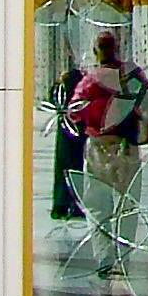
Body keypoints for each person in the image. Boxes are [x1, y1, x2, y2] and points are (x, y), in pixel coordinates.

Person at [69, 31, 148, 210]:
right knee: (127, 206)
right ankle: (124, 238)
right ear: (117, 49)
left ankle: (103, 239)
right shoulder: (130, 76)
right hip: (125, 147)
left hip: (100, 147)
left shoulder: (91, 80)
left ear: (95, 51)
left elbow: (74, 112)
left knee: (98, 207)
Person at [47, 65, 86, 221]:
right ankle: (73, 205)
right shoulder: (81, 86)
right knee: (75, 169)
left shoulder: (61, 88)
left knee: (61, 169)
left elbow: (53, 98)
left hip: (65, 132)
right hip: (77, 132)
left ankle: (60, 206)